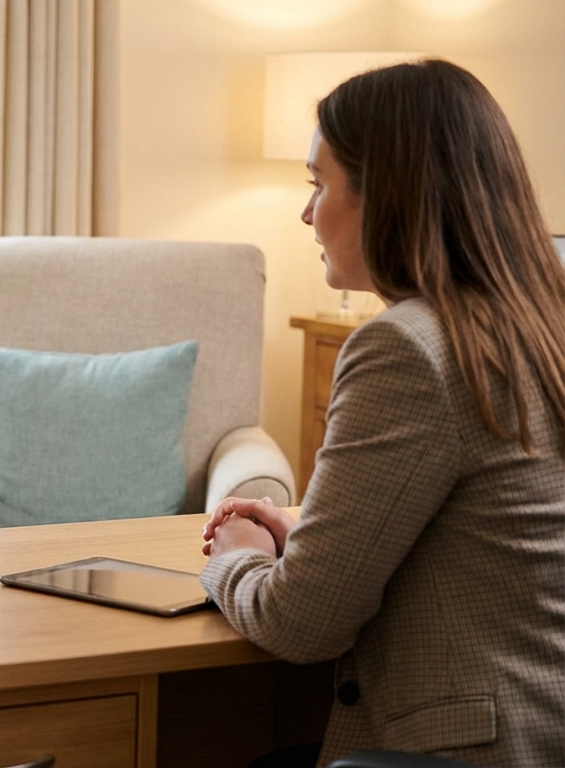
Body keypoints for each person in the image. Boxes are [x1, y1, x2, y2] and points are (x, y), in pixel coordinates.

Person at [201, 60, 565, 767]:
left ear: (387, 196)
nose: (307, 213)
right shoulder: (540, 324)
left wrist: (234, 559)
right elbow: (501, 539)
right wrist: (313, 530)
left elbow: (299, 625)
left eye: (318, 184)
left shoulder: (405, 347)